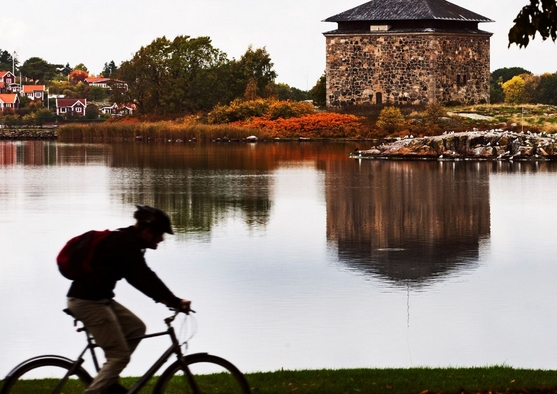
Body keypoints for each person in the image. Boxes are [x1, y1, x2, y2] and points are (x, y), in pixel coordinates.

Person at [66, 205, 191, 394]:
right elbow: (143, 277)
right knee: (120, 356)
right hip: (87, 302)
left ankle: (108, 381)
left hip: (99, 299)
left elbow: (140, 278)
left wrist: (166, 299)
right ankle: (99, 388)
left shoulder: (128, 241)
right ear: (148, 232)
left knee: (136, 328)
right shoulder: (126, 245)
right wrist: (174, 301)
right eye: (160, 234)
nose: (162, 239)